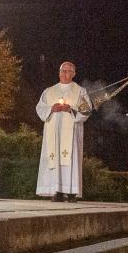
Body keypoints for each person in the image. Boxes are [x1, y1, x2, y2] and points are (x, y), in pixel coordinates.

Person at [35, 61, 91, 201]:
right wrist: (51, 109)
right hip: (53, 134)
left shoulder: (80, 91)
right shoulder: (49, 91)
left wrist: (70, 109)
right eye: (62, 71)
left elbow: (87, 110)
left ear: (74, 74)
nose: (64, 74)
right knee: (54, 159)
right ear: (59, 73)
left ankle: (71, 193)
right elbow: (40, 108)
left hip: (71, 134)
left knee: (71, 159)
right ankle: (57, 191)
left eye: (68, 71)